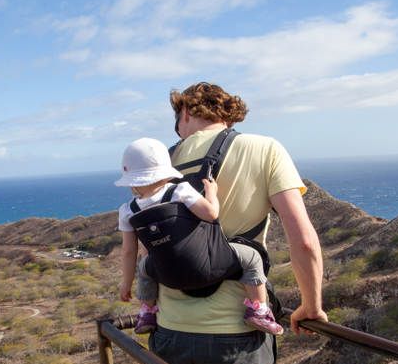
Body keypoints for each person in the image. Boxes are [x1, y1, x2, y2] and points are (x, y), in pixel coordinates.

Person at [148, 82, 328, 364]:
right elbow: (303, 240)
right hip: (237, 336)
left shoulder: (165, 164)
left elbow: (150, 248)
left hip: (172, 333)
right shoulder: (265, 149)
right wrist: (312, 305)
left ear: (188, 111)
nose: (177, 130)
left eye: (177, 120)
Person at [115, 138, 283, 336]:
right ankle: (259, 310)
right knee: (253, 257)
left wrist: (126, 282)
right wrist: (211, 192)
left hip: (167, 276)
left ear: (132, 180)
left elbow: (128, 250)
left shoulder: (127, 211)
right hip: (205, 264)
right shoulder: (180, 190)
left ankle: (147, 313)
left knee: (144, 271)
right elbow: (211, 213)